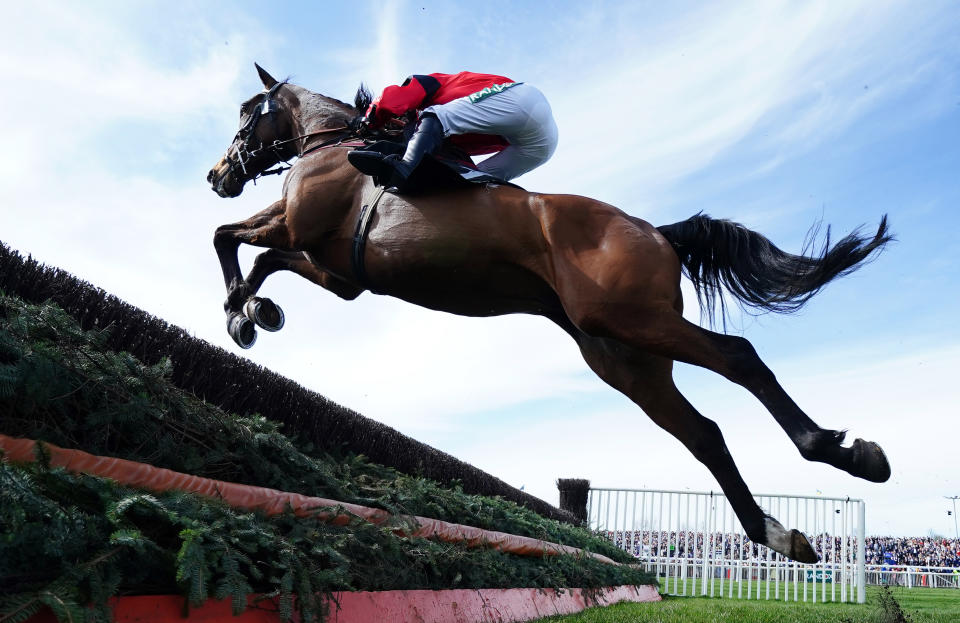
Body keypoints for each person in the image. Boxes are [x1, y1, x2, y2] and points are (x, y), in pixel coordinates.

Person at [348, 72, 558, 192]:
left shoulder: (428, 85)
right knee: (470, 183)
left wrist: (368, 121)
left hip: (523, 99)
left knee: (433, 115)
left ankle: (404, 171)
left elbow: (391, 99)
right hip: (540, 146)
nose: (399, 126)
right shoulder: (446, 133)